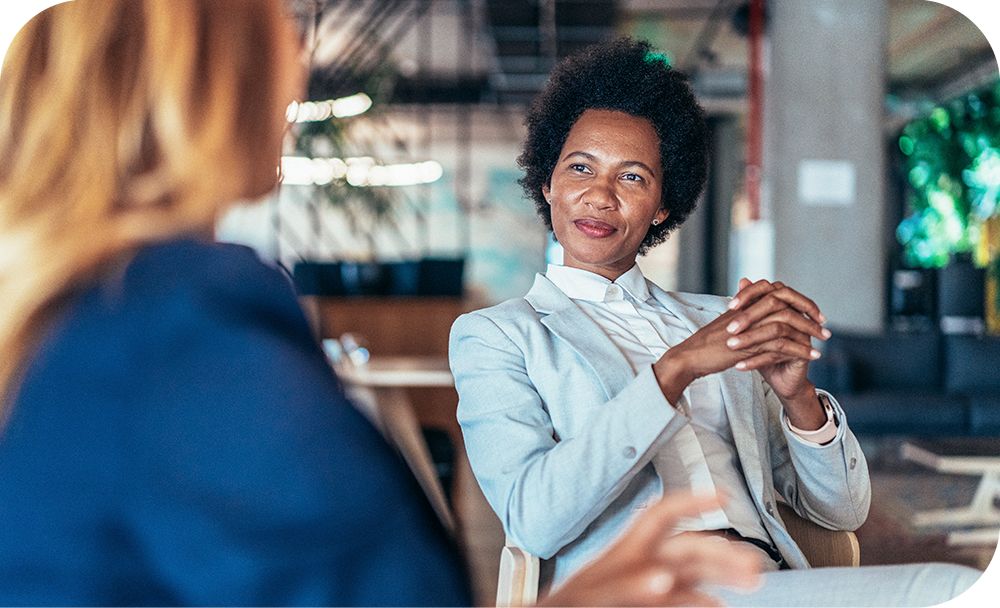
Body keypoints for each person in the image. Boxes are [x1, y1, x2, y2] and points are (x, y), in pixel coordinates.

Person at [0, 3, 763, 605]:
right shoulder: (181, 337)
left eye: (632, 175)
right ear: (209, 88)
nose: (297, 67)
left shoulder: (70, 323)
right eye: (280, 34)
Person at [450, 36, 983, 606]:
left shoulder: (714, 320)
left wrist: (798, 395)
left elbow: (842, 510)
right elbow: (533, 519)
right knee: (944, 588)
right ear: (547, 183)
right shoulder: (499, 335)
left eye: (632, 177)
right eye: (581, 168)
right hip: (641, 587)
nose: (600, 196)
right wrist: (674, 370)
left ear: (661, 206)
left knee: (954, 588)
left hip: (760, 579)